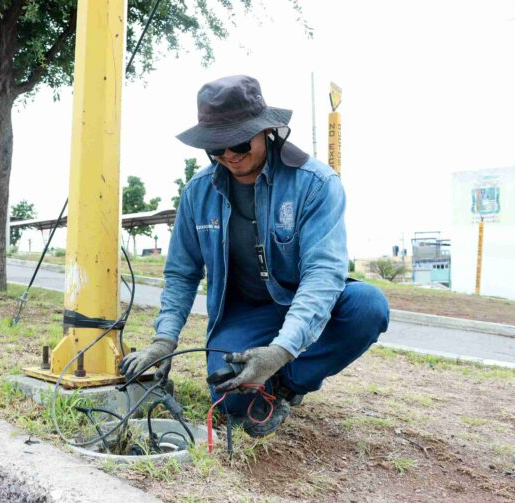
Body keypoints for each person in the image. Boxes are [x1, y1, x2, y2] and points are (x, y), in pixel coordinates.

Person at [120, 75, 390, 437]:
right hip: (246, 311)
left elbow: (323, 275)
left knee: (368, 306)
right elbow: (182, 273)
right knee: (229, 396)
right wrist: (164, 341)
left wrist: (281, 351)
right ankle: (259, 381)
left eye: (239, 144)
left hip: (303, 302)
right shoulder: (197, 194)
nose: (229, 155)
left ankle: (286, 386)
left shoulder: (317, 185)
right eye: (216, 148)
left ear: (265, 131)